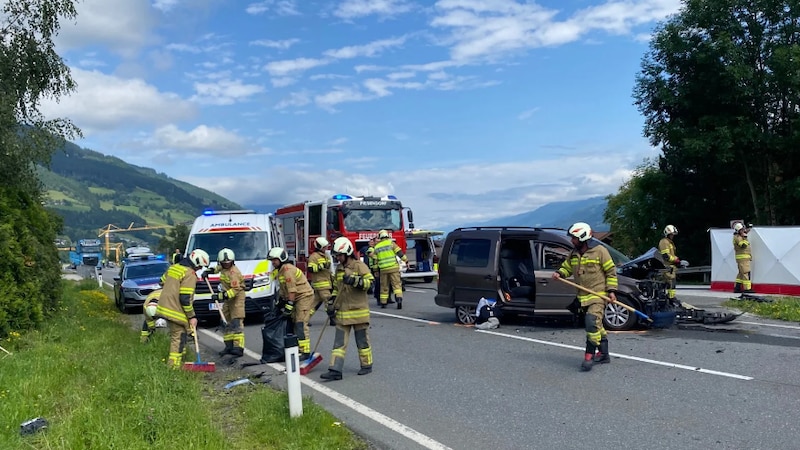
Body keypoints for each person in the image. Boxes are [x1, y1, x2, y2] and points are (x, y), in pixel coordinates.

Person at [552, 222, 617, 372]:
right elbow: (567, 267)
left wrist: (612, 290)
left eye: (574, 238)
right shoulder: (573, 253)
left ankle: (589, 356)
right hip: (583, 296)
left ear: (582, 237)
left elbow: (611, 272)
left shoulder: (600, 251)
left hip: (599, 294)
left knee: (591, 322)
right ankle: (604, 354)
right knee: (597, 326)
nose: (571, 241)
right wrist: (559, 273)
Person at [320, 237, 375, 381]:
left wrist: (354, 280)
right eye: (336, 255)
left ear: (347, 253)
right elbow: (336, 289)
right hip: (343, 312)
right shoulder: (338, 269)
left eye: (339, 255)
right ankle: (335, 370)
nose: (337, 258)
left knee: (362, 341)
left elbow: (370, 284)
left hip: (359, 311)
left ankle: (366, 365)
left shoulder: (359, 266)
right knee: (339, 343)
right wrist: (331, 304)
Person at [155, 249, 209, 368]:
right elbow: (185, 298)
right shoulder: (189, 274)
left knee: (182, 335)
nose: (200, 269)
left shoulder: (173, 268)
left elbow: (161, 282)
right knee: (178, 337)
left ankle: (181, 361)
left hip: (163, 307)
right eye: (200, 266)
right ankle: (173, 368)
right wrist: (192, 316)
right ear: (196, 262)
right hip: (175, 310)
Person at [268, 246, 316, 360]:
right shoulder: (280, 271)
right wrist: (280, 303)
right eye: (272, 260)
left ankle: (305, 351)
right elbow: (284, 289)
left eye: (274, 260)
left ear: (281, 259)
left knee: (300, 323)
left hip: (303, 296)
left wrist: (288, 306)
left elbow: (292, 290)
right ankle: (298, 347)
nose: (273, 262)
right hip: (296, 297)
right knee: (294, 322)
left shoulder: (287, 270)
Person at [203, 248, 246, 357]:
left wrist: (220, 296)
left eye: (228, 263)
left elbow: (235, 290)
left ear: (232, 261)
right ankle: (229, 346)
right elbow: (217, 269)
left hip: (236, 298)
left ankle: (238, 347)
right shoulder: (222, 267)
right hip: (228, 298)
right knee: (225, 320)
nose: (226, 265)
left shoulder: (234, 273)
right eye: (224, 263)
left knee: (236, 321)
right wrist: (209, 271)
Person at [373, 229, 407, 309]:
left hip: (383, 270)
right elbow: (400, 253)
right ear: (387, 236)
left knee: (384, 286)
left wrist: (375, 271)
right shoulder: (392, 244)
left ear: (380, 237)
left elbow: (375, 261)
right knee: (396, 285)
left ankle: (384, 303)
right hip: (393, 268)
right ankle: (399, 300)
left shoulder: (377, 247)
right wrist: (406, 261)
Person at [658, 224, 687, 304]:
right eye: (671, 234)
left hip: (670, 267)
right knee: (670, 283)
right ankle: (670, 299)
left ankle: (670, 298)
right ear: (667, 234)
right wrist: (676, 260)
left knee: (671, 284)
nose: (672, 236)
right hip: (667, 267)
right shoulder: (664, 242)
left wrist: (677, 262)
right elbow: (666, 256)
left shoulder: (669, 242)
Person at [733, 222, 754, 294]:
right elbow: (743, 245)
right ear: (738, 230)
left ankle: (737, 288)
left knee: (741, 273)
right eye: (742, 229)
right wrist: (745, 237)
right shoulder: (738, 237)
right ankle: (747, 289)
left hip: (743, 258)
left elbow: (745, 232)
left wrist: (749, 229)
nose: (743, 230)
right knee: (745, 272)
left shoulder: (739, 236)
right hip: (743, 258)